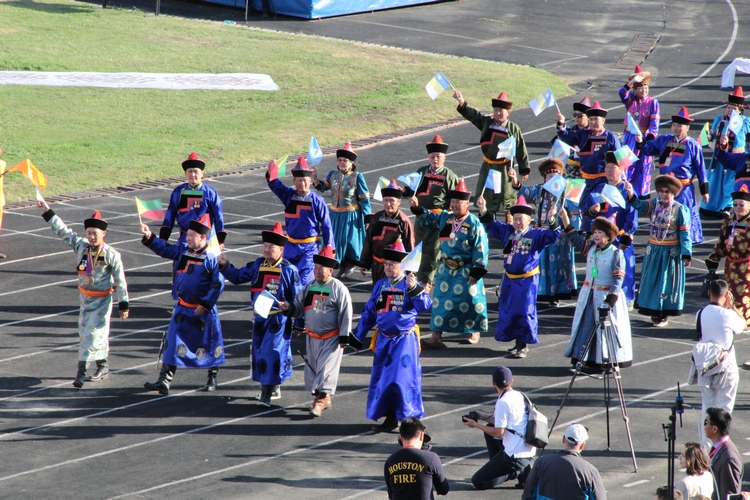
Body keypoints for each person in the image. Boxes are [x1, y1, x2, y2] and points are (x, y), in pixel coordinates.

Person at [38, 198, 129, 388]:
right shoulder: (81, 246)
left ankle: (81, 373)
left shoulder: (112, 255)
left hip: (103, 301)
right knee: (88, 335)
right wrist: (48, 211)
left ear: (103, 233)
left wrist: (124, 305)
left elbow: (120, 281)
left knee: (94, 334)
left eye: (95, 233)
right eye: (89, 233)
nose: (92, 237)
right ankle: (103, 365)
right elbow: (63, 231)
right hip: (85, 300)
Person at [217, 223, 302, 405]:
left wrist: (296, 315)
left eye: (271, 247)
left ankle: (266, 394)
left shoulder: (289, 270)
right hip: (259, 318)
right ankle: (273, 386)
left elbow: (298, 298)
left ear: (281, 249)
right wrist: (224, 265)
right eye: (265, 246)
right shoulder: (257, 264)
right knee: (260, 353)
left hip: (278, 319)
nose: (267, 249)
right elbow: (238, 276)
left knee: (272, 353)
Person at [139, 217, 225, 395]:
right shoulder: (183, 252)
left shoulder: (211, 258)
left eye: (191, 235)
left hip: (203, 311)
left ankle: (212, 377)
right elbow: (165, 249)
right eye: (187, 235)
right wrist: (150, 236)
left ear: (203, 237)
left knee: (209, 341)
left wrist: (206, 304)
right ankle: (164, 380)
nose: (187, 238)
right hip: (182, 308)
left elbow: (218, 284)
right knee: (172, 339)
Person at [478, 195, 570, 358]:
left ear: (529, 220)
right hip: (509, 279)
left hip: (527, 281)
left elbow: (553, 235)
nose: (518, 222)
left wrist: (552, 220)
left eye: (521, 219)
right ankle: (516, 342)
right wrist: (483, 208)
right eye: (515, 219)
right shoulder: (508, 231)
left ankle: (523, 344)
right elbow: (491, 225)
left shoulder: (536, 234)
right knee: (509, 310)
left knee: (525, 311)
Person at [354, 241, 432, 432]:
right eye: (386, 264)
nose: (388, 267)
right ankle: (390, 418)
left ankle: (408, 420)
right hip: (383, 340)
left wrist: (414, 288)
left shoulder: (409, 284)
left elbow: (425, 305)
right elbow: (369, 312)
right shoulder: (381, 285)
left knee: (401, 381)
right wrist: (357, 336)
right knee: (384, 381)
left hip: (404, 341)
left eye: (392, 264)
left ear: (402, 266)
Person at [411, 179, 488, 347]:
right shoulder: (445, 218)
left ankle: (474, 330)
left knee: (471, 301)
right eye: (452, 201)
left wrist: (477, 270)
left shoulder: (474, 223)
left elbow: (480, 247)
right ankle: (436, 335)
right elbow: (429, 219)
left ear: (467, 203)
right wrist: (417, 208)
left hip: (466, 268)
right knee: (440, 301)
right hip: (446, 268)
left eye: (458, 202)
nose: (454, 205)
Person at [279, 245, 352, 417]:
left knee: (325, 371)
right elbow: (299, 307)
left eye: (322, 268)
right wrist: (288, 307)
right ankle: (324, 398)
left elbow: (346, 314)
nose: (318, 271)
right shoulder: (310, 286)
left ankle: (319, 401)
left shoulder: (339, 289)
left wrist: (344, 337)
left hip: (331, 338)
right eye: (316, 268)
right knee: (314, 369)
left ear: (330, 270)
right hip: (312, 337)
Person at [564, 217, 632, 370]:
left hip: (605, 298)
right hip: (589, 295)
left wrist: (610, 299)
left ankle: (606, 362)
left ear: (608, 236)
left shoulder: (616, 254)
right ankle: (583, 360)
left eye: (600, 232)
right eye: (594, 232)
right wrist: (563, 219)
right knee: (586, 326)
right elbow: (574, 238)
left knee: (605, 330)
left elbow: (618, 279)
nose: (596, 235)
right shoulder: (591, 248)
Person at [511, 157, 579, 306]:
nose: (551, 179)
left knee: (558, 266)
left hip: (560, 236)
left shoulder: (568, 193)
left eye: (555, 176)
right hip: (541, 235)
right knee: (540, 264)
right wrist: (515, 181)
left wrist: (572, 232)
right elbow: (525, 192)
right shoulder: (540, 190)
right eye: (548, 177)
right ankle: (542, 292)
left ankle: (557, 293)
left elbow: (574, 213)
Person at [626, 175, 692, 327]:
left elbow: (685, 234)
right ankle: (653, 310)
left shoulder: (680, 210)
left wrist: (686, 253)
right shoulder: (654, 204)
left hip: (670, 253)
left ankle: (663, 313)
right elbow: (639, 205)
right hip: (654, 251)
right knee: (652, 281)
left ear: (673, 193)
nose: (663, 194)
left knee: (665, 283)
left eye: (667, 192)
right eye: (661, 191)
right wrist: (630, 194)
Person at [159, 152, 227, 300]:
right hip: (185, 237)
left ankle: (205, 299)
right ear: (185, 173)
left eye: (195, 171)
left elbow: (218, 216)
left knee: (207, 268)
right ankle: (179, 299)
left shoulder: (210, 193)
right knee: (181, 267)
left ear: (202, 173)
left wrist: (220, 239)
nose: (193, 175)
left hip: (205, 239)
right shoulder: (178, 192)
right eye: (190, 171)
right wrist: (163, 238)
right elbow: (170, 215)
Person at [453, 89, 530, 218]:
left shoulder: (513, 128)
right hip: (488, 167)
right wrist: (461, 101)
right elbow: (474, 116)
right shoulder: (486, 123)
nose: (498, 113)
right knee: (487, 196)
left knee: (506, 196)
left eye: (501, 110)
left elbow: (521, 148)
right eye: (496, 110)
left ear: (508, 112)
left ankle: (509, 222)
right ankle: (487, 221)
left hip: (505, 168)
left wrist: (524, 169)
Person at [636, 106, 708, 244]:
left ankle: (686, 242)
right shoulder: (664, 140)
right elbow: (648, 149)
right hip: (664, 188)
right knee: (663, 216)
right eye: (674, 125)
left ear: (687, 128)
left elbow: (701, 170)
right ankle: (663, 240)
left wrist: (705, 191)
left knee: (683, 217)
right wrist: (640, 141)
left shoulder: (693, 146)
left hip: (683, 190)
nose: (676, 128)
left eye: (680, 126)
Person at [580, 152, 639, 308]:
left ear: (621, 169)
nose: (609, 170)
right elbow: (586, 212)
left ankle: (625, 298)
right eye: (607, 167)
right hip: (601, 238)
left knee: (622, 267)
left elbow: (632, 217)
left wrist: (627, 235)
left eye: (613, 167)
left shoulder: (628, 190)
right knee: (597, 266)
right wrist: (593, 210)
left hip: (619, 237)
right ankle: (594, 293)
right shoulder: (599, 187)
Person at [267, 156, 335, 287]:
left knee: (304, 282)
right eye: (299, 180)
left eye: (304, 181)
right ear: (294, 181)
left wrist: (329, 247)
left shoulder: (317, 200)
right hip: (290, 247)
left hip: (309, 249)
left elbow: (326, 226)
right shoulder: (288, 195)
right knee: (287, 279)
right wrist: (272, 171)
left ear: (310, 181)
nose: (302, 184)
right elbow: (275, 184)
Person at [463, 366, 535, 490]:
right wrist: (481, 416)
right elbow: (501, 422)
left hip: (515, 456)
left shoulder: (503, 402)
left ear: (493, 383)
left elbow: (499, 432)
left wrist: (475, 425)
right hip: (528, 448)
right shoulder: (520, 396)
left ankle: (517, 472)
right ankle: (511, 469)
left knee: (478, 481)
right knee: (489, 428)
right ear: (511, 381)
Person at [401, 135, 458, 285]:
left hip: (438, 219)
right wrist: (404, 191)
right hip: (421, 217)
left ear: (444, 158)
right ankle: (419, 279)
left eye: (438, 156)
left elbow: (456, 199)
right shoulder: (421, 172)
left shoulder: (449, 176)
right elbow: (412, 188)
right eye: (432, 156)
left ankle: (427, 282)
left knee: (434, 251)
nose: (435, 159)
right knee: (419, 247)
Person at [556, 102, 621, 233]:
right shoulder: (582, 134)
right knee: (584, 208)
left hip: (603, 180)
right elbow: (566, 137)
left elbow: (620, 159)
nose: (592, 122)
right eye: (590, 119)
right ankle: (587, 234)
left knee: (600, 208)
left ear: (603, 120)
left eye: (596, 119)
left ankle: (604, 234)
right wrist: (561, 124)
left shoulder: (611, 137)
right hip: (585, 180)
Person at [314, 142, 371, 279]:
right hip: (334, 215)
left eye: (345, 160)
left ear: (351, 163)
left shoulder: (357, 177)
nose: (342, 162)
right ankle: (339, 267)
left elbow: (364, 199)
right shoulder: (333, 175)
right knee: (335, 241)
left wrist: (367, 217)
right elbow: (322, 188)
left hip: (351, 215)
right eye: (340, 160)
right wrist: (315, 178)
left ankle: (349, 265)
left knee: (348, 241)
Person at [692, 280, 743, 416]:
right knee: (723, 412)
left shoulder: (700, 314)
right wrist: (731, 307)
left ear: (709, 293)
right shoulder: (728, 315)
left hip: (706, 366)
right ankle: (719, 437)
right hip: (726, 367)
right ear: (727, 295)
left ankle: (705, 437)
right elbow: (742, 325)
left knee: (707, 409)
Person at [521, 423, 606, 500]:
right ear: (582, 445)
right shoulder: (590, 471)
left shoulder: (541, 462)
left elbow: (528, 494)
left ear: (563, 439)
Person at [703, 86, 750, 219]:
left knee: (730, 182)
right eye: (728, 108)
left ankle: (728, 206)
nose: (730, 110)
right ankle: (713, 206)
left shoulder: (745, 122)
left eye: (733, 108)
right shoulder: (720, 119)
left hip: (737, 158)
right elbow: (710, 135)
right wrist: (705, 137)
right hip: (720, 157)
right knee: (715, 181)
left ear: (740, 110)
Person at [706, 188, 750, 325]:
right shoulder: (729, 221)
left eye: (741, 204)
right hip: (730, 266)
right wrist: (714, 259)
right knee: (729, 294)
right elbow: (721, 240)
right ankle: (730, 321)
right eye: (735, 204)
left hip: (747, 267)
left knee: (744, 295)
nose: (737, 208)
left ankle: (744, 322)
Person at [360, 179, 415, 284]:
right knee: (377, 293)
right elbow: (368, 241)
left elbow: (409, 246)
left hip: (394, 268)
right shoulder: (376, 218)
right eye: (386, 200)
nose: (388, 204)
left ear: (399, 202)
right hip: (377, 265)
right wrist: (364, 263)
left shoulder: (404, 221)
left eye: (392, 200)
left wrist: (410, 271)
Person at [619, 64, 660, 199]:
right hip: (629, 136)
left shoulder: (652, 102)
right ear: (635, 89)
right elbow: (622, 93)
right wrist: (632, 82)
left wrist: (649, 138)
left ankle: (641, 194)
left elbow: (654, 122)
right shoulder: (630, 100)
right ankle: (625, 191)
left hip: (643, 137)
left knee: (643, 165)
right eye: (640, 87)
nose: (644, 90)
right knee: (627, 164)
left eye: (646, 87)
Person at [384, 417, 450, 500]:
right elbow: (443, 489)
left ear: (401, 437)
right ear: (422, 435)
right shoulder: (431, 458)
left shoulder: (390, 461)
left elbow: (391, 494)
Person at [705, 407, 743, 500]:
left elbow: (730, 494)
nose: (704, 426)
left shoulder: (729, 458)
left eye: (706, 422)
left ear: (714, 429)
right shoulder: (719, 448)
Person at [553, 96, 591, 180]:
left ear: (588, 117)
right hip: (569, 170)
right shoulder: (569, 129)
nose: (577, 117)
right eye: (575, 115)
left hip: (585, 171)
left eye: (580, 115)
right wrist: (561, 123)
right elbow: (562, 137)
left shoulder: (592, 133)